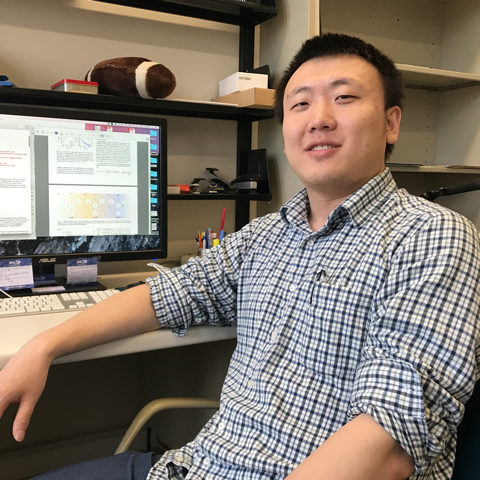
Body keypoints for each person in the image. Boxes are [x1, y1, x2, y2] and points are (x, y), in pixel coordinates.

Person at [0, 32, 479, 480]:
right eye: (300, 104)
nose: (319, 118)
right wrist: (44, 345)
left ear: (391, 123)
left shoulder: (431, 236)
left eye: (344, 97)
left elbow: (391, 440)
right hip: (195, 466)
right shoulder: (266, 236)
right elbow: (170, 294)